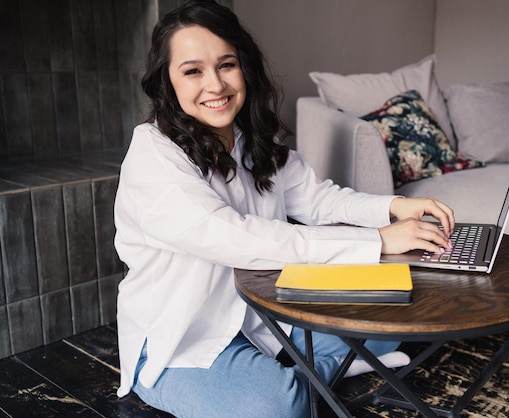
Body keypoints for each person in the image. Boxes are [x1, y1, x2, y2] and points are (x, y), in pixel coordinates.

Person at [113, 1, 454, 416]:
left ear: (245, 68)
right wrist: (378, 240)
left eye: (226, 64)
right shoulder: (153, 153)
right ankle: (313, 376)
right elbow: (239, 237)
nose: (216, 85)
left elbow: (320, 199)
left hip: (262, 318)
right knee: (277, 407)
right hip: (181, 339)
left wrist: (395, 206)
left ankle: (303, 373)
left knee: (391, 322)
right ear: (167, 81)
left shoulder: (248, 140)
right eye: (192, 71)